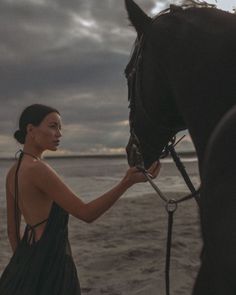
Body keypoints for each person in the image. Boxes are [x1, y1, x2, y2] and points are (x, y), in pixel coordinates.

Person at [0, 104, 160, 295]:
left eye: (60, 128)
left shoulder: (12, 172)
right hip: (53, 261)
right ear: (30, 130)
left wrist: (25, 268)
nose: (59, 134)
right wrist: (126, 182)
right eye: (52, 126)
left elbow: (12, 231)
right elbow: (87, 213)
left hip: (26, 258)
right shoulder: (38, 169)